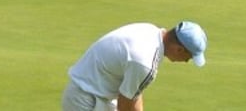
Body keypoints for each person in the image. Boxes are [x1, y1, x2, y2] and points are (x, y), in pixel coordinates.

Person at [62, 21, 207, 111]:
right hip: (87, 100)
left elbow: (134, 92)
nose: (187, 61)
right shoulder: (145, 63)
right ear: (179, 49)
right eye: (189, 57)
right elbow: (125, 104)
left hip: (91, 93)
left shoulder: (149, 30)